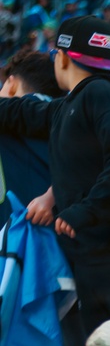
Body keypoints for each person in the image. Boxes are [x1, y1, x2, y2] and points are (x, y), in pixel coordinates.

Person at [0, 15, 110, 346]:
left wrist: (82, 209)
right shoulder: (70, 105)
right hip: (92, 259)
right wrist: (56, 196)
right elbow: (23, 114)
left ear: (61, 57)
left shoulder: (97, 95)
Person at [0, 48, 62, 223]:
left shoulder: (5, 125)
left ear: (11, 84)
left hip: (13, 240)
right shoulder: (76, 118)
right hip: (64, 241)